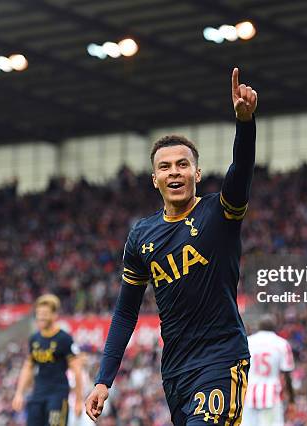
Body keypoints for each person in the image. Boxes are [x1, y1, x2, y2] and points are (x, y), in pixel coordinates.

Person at [85, 67, 258, 425]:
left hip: (221, 359)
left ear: (197, 174)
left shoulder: (219, 213)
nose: (174, 172)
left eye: (183, 165)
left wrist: (245, 123)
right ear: (155, 179)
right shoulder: (141, 237)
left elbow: (241, 169)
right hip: (176, 371)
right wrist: (104, 379)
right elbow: (125, 312)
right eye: (165, 167)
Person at [12, 294, 84, 426]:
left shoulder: (64, 339)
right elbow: (28, 367)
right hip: (37, 394)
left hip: (58, 395)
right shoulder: (34, 339)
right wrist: (19, 393)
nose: (41, 317)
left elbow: (77, 370)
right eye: (38, 313)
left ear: (54, 315)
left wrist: (79, 400)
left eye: (45, 313)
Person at [241, 316, 294, 426]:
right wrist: (291, 398)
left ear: (259, 327)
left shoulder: (248, 342)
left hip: (250, 393)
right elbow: (287, 373)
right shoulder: (282, 344)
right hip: (272, 394)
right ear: (274, 327)